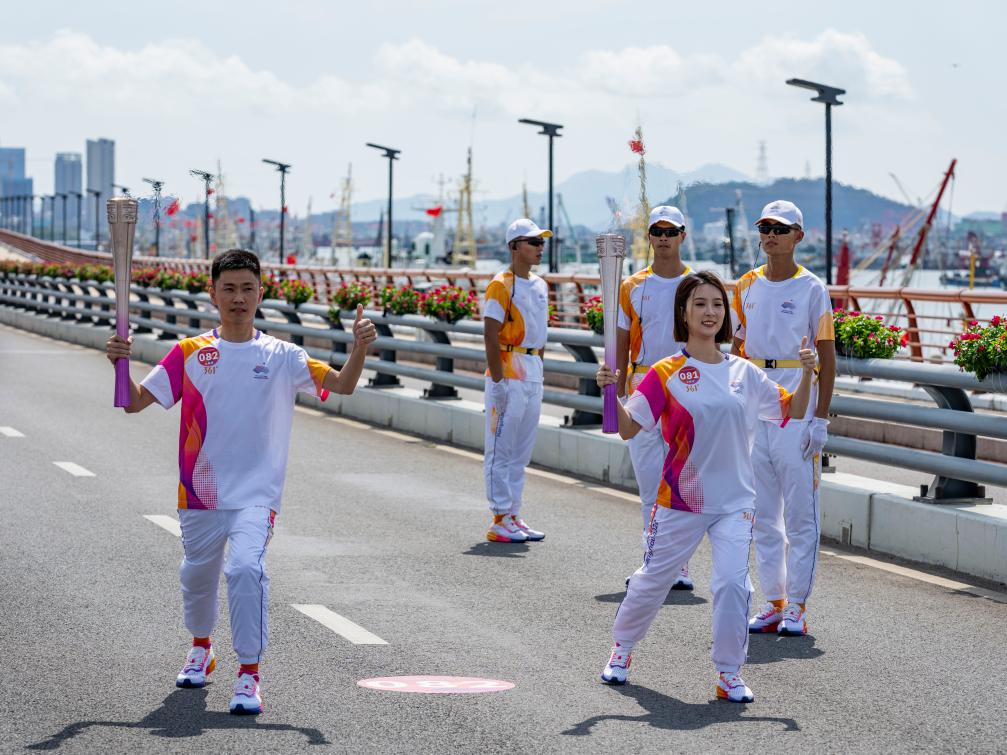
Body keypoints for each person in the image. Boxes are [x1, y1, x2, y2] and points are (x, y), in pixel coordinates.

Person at [104, 249, 377, 714]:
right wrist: (118, 364)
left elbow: (343, 386)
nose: (238, 298)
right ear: (212, 294)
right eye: (228, 288)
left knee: (246, 569)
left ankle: (249, 675)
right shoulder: (188, 353)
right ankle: (201, 648)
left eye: (247, 288)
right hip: (200, 492)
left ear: (260, 294)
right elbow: (132, 403)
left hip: (256, 494)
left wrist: (360, 349)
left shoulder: (283, 355)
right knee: (197, 575)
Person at [595, 271, 816, 702]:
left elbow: (791, 409)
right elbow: (626, 429)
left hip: (735, 502)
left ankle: (728, 672)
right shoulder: (665, 373)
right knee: (653, 580)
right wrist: (609, 393)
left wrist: (807, 373)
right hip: (680, 501)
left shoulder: (745, 373)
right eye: (700, 304)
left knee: (734, 585)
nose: (710, 312)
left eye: (717, 303)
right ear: (683, 313)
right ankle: (621, 648)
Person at [731, 201, 836, 637]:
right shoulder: (746, 286)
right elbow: (733, 349)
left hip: (797, 405)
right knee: (761, 514)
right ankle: (773, 601)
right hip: (756, 409)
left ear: (798, 236)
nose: (770, 234)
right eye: (764, 227)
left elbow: (827, 360)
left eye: (780, 228)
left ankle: (797, 604)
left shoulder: (812, 289)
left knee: (800, 515)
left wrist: (821, 419)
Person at [617, 205, 694, 590]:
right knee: (650, 483)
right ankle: (653, 559)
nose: (663, 238)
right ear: (649, 237)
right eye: (656, 232)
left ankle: (678, 564)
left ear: (682, 235)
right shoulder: (632, 286)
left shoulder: (697, 285)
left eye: (670, 231)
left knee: (680, 481)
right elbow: (618, 343)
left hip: (687, 385)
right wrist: (614, 394)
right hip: (645, 385)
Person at [481, 218, 551, 543]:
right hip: (508, 368)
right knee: (501, 449)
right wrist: (497, 381)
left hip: (532, 367)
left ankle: (513, 514)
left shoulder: (540, 285)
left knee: (521, 452)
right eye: (533, 242)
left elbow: (542, 335)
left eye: (541, 242)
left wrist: (540, 368)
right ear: (514, 247)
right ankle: (499, 517)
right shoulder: (500, 285)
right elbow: (490, 337)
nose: (540, 248)